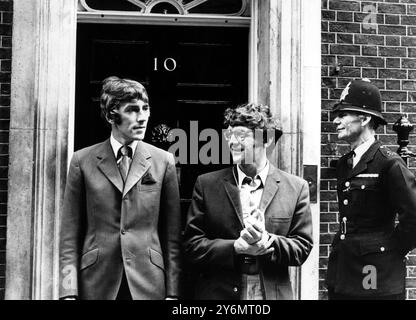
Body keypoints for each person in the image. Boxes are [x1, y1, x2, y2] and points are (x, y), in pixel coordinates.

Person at [59, 76, 181, 300]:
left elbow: (172, 237)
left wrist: (173, 293)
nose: (142, 117)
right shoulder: (82, 160)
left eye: (146, 108)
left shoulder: (163, 161)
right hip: (96, 283)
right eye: (133, 110)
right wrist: (68, 292)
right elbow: (69, 236)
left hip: (148, 283)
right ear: (111, 115)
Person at [183, 103, 313, 300]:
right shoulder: (206, 184)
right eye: (229, 135)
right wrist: (235, 247)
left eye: (241, 135)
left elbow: (302, 247)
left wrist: (267, 242)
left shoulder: (296, 187)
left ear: (266, 139)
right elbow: (192, 245)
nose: (232, 142)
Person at [326, 79, 416, 300]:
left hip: (375, 275)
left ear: (364, 118)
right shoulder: (345, 164)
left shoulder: (389, 163)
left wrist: (390, 250)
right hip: (343, 272)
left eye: (343, 115)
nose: (336, 121)